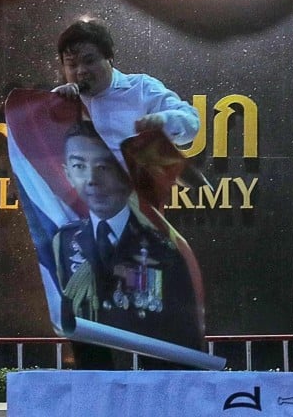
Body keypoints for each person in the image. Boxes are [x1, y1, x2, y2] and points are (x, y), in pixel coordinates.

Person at [52, 121, 204, 369]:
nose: (91, 180)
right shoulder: (66, 241)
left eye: (103, 167)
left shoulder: (164, 247)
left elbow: (181, 330)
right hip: (96, 381)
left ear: (124, 173)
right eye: (79, 166)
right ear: (67, 172)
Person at [53, 19, 200, 159]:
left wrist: (164, 120)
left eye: (89, 61)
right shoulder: (61, 99)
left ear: (109, 58)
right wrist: (52, 104)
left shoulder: (141, 87)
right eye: (72, 65)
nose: (81, 71)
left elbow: (191, 123)